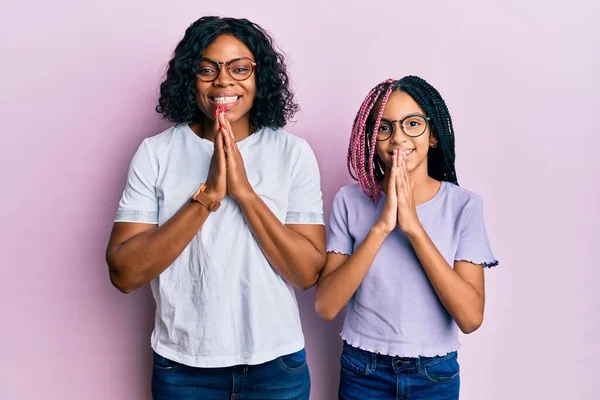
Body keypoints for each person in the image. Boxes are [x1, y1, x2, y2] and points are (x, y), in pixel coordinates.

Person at [106, 16, 326, 400]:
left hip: (276, 368)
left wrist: (244, 193)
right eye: (207, 69)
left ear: (260, 78)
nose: (224, 81)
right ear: (189, 79)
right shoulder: (156, 154)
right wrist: (209, 195)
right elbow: (124, 273)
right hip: (183, 369)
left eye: (240, 68)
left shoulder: (292, 153)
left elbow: (307, 272)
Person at [315, 76, 498, 399]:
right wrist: (382, 227)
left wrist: (413, 227)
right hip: (363, 371)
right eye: (384, 127)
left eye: (412, 123)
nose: (398, 138)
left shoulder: (464, 205)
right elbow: (326, 306)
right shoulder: (349, 200)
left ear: (433, 136)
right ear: (372, 139)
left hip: (434, 375)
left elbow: (470, 318)